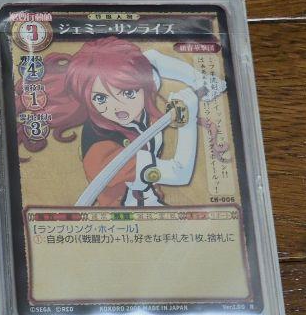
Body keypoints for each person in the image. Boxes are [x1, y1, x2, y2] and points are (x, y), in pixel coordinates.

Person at [17, 36, 225, 207]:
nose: (118, 107)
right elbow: (178, 173)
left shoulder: (140, 85)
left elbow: (154, 59)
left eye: (127, 92)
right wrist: (187, 120)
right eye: (101, 98)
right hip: (125, 217)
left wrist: (199, 79)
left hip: (153, 202)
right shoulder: (101, 151)